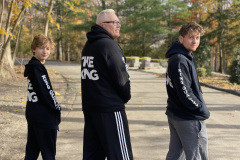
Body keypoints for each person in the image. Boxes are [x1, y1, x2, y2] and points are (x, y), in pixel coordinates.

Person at [81, 9, 133, 160]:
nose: (118, 25)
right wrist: (126, 96)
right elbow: (121, 78)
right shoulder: (109, 45)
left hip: (91, 110)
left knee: (93, 155)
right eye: (115, 22)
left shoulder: (88, 46)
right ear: (102, 25)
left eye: (119, 22)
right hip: (110, 110)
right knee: (121, 156)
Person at [165, 22, 210, 160]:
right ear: (181, 39)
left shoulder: (183, 56)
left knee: (175, 155)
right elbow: (185, 93)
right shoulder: (180, 59)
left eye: (197, 37)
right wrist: (200, 108)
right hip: (187, 117)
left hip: (177, 115)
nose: (195, 41)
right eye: (191, 37)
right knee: (197, 156)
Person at [24, 34, 61, 160]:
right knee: (48, 154)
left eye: (48, 48)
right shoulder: (37, 68)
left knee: (31, 153)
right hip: (44, 117)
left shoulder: (33, 66)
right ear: (34, 49)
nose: (45, 51)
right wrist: (57, 109)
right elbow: (47, 92)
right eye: (41, 48)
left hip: (34, 114)